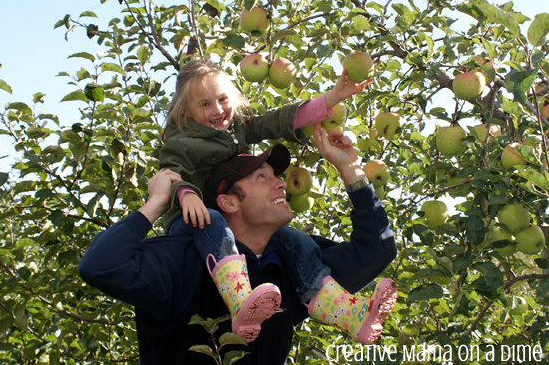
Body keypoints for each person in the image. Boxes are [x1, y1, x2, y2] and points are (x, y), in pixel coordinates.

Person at [78, 124, 398, 364]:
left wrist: (349, 167)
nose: (280, 182)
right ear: (228, 202)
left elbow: (377, 250)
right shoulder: (183, 257)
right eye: (262, 176)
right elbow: (100, 266)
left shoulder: (296, 266)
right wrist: (157, 203)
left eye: (277, 174)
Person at [157, 58, 388, 343]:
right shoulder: (181, 142)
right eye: (205, 105)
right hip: (191, 223)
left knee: (297, 240)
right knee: (212, 218)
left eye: (222, 99)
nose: (218, 110)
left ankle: (342, 310)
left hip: (224, 227)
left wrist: (331, 99)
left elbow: (277, 121)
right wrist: (186, 193)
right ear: (186, 112)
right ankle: (239, 298)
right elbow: (169, 173)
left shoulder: (277, 270)